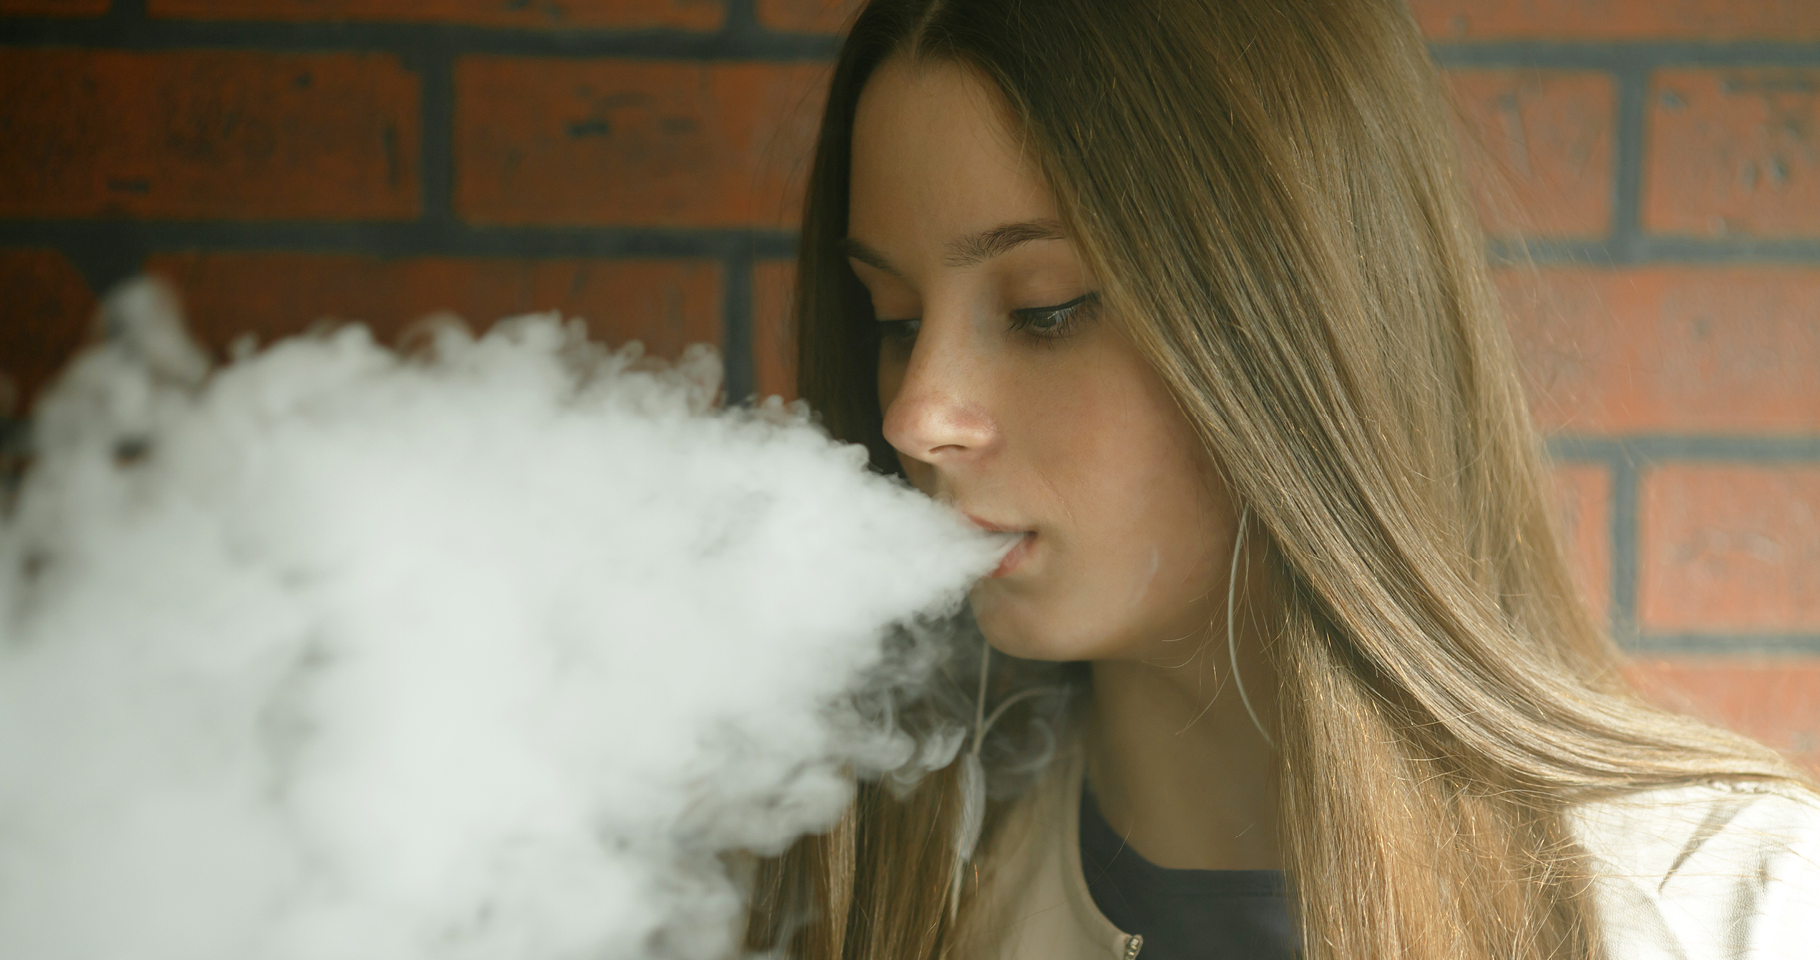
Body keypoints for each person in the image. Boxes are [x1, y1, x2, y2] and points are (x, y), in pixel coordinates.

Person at [743, 1, 1820, 958]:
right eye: (893, 319)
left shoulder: (1725, 909)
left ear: (1297, 332)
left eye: (1045, 307)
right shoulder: (852, 883)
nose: (915, 416)